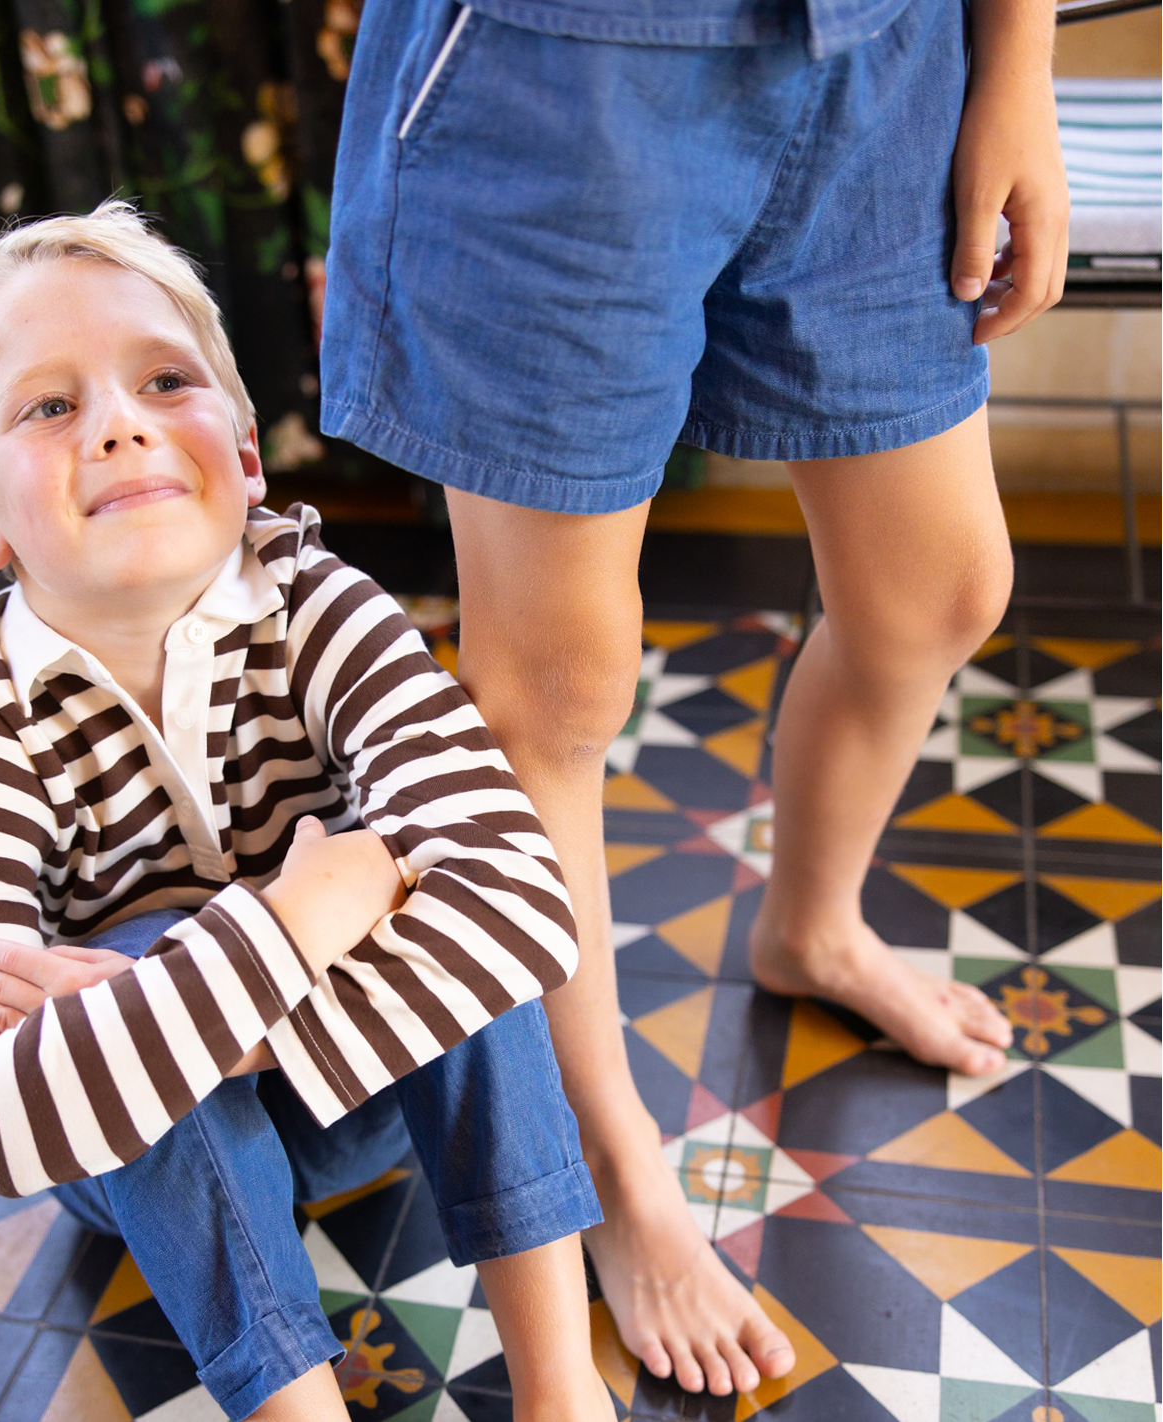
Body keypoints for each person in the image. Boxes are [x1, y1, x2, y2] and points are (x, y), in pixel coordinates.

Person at [319, 0, 1068, 1396]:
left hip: (885, 62)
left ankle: (813, 924)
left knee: (938, 589)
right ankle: (607, 1164)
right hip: (558, 75)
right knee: (554, 687)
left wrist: (1015, 66)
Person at [0, 201, 614, 1422]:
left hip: (367, 1095)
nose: (119, 424)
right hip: (136, 1159)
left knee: (436, 875)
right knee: (192, 950)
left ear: (247, 453)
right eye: (50, 406)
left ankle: (562, 1390)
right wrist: (294, 922)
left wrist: (173, 1014)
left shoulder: (324, 609)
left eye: (165, 381)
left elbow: (529, 916)